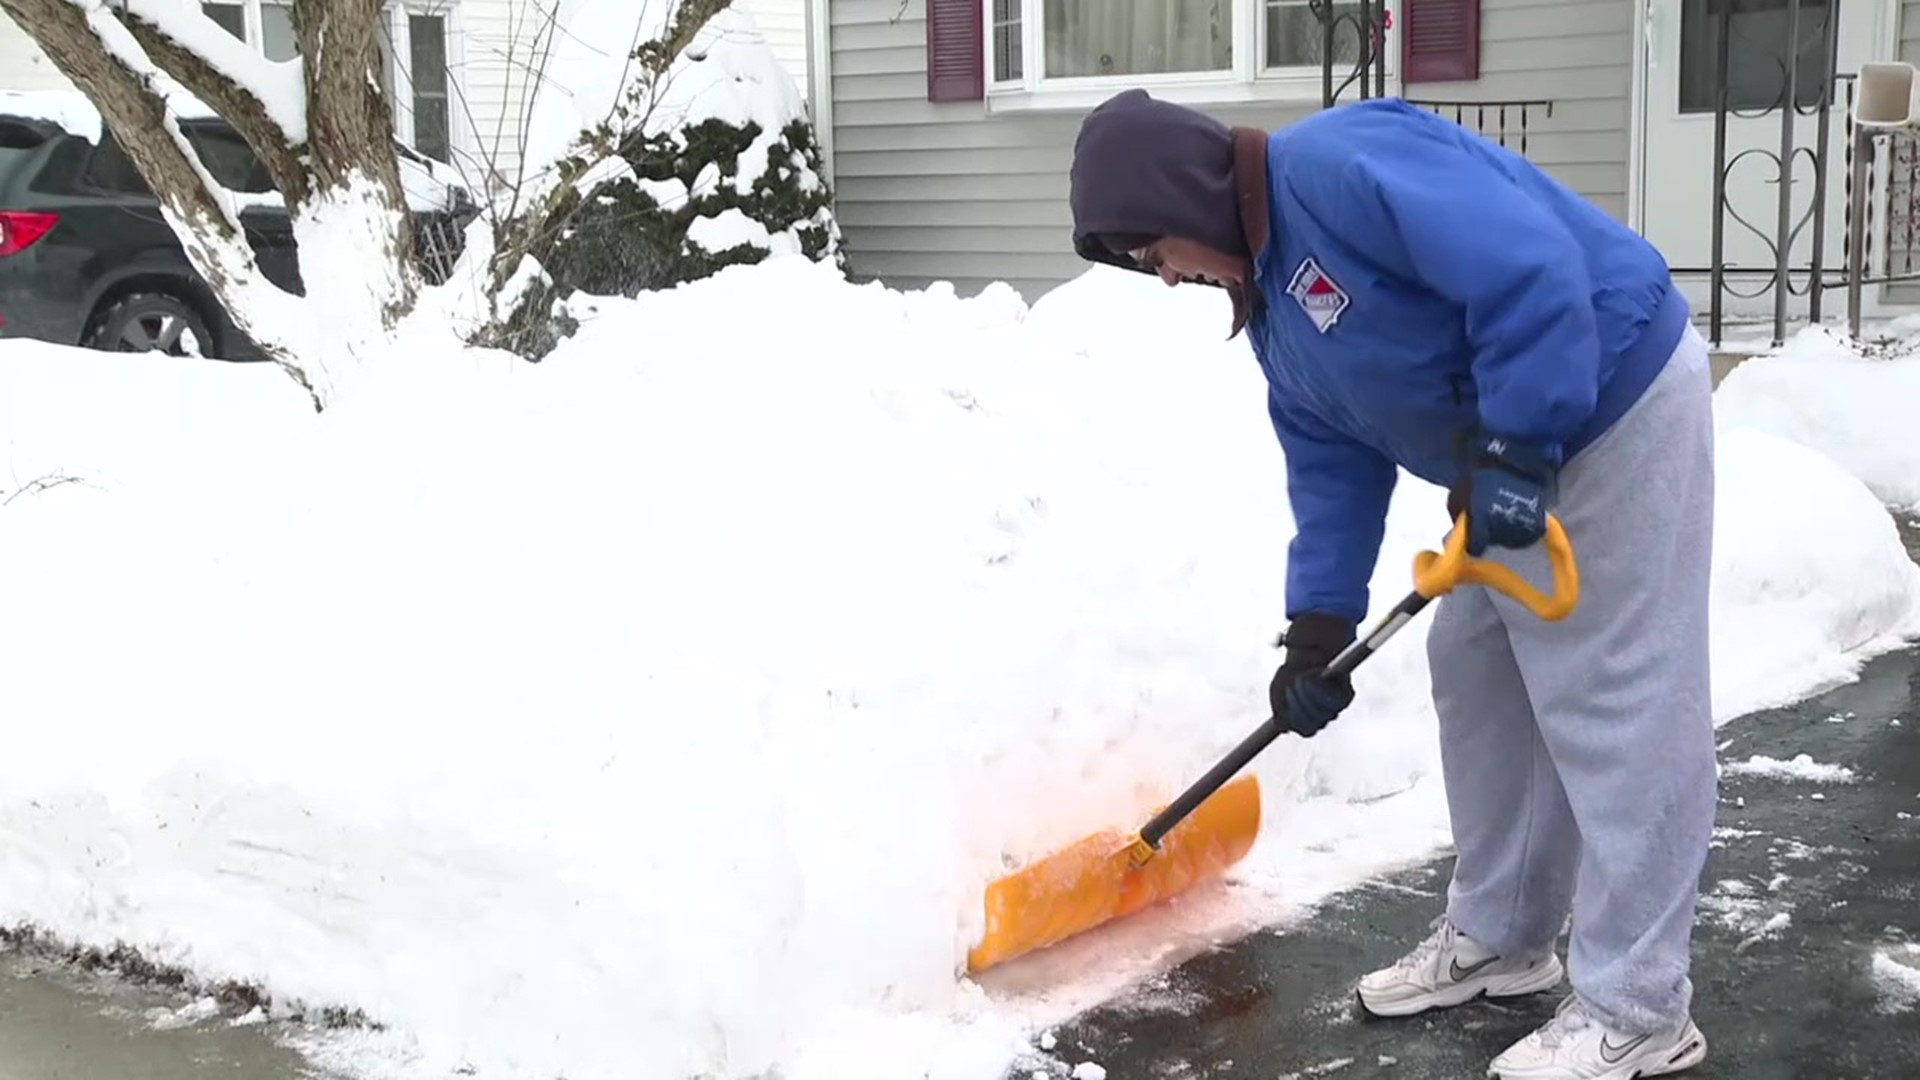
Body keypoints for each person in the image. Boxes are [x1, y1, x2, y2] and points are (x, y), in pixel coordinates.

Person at [1067, 89, 1718, 1080]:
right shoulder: (1277, 312)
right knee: (1478, 665)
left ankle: (1638, 1006)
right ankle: (1505, 937)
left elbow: (1528, 273)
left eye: (1153, 253)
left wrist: (1514, 446)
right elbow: (1334, 467)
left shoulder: (1340, 166)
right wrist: (1317, 632)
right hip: (1515, 454)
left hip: (1609, 404)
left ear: (1183, 199)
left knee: (1618, 700)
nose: (1163, 279)